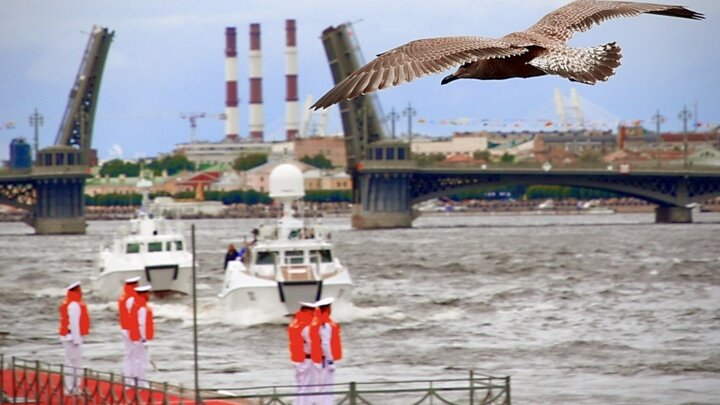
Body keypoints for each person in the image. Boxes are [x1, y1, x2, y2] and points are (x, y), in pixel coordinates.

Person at [58, 281, 91, 395]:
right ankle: (73, 387)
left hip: (67, 336)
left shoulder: (67, 303)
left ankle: (71, 387)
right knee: (75, 363)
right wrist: (77, 339)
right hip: (72, 337)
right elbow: (74, 324)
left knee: (70, 363)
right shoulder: (75, 305)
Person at [311, 297, 342, 405]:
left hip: (317, 359)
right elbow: (325, 344)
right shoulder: (325, 324)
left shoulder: (316, 322)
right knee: (326, 388)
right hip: (324, 360)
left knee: (320, 387)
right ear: (327, 309)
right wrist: (330, 361)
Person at [288, 301, 318, 405]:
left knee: (298, 386)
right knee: (308, 387)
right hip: (307, 359)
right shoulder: (306, 326)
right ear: (307, 311)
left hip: (296, 358)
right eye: (313, 311)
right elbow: (312, 344)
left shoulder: (294, 324)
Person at [128, 285, 154, 388]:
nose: (149, 295)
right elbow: (142, 324)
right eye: (147, 293)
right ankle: (143, 383)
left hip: (134, 336)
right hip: (139, 338)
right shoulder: (142, 308)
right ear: (143, 294)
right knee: (142, 361)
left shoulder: (135, 305)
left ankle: (137, 381)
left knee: (137, 359)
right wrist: (144, 339)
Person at [118, 276, 140, 385]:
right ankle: (134, 379)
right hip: (131, 330)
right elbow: (133, 317)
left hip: (125, 328)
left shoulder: (123, 297)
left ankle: (128, 379)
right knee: (135, 356)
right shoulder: (131, 299)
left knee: (128, 355)